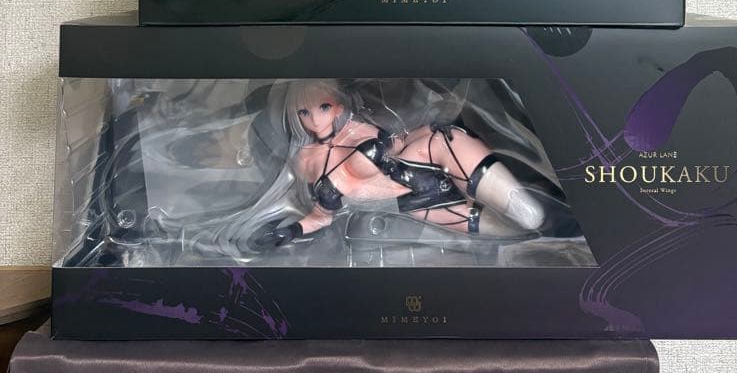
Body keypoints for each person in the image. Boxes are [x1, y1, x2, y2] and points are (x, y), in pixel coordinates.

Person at [244, 80, 581, 250]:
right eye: (304, 112)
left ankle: (573, 203)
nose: (315, 119)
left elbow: (402, 139)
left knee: (530, 214)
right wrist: (288, 232)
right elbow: (321, 217)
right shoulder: (304, 161)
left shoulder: (360, 128)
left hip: (439, 152)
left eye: (323, 107)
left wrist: (436, 125)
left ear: (337, 105)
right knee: (531, 233)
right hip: (419, 205)